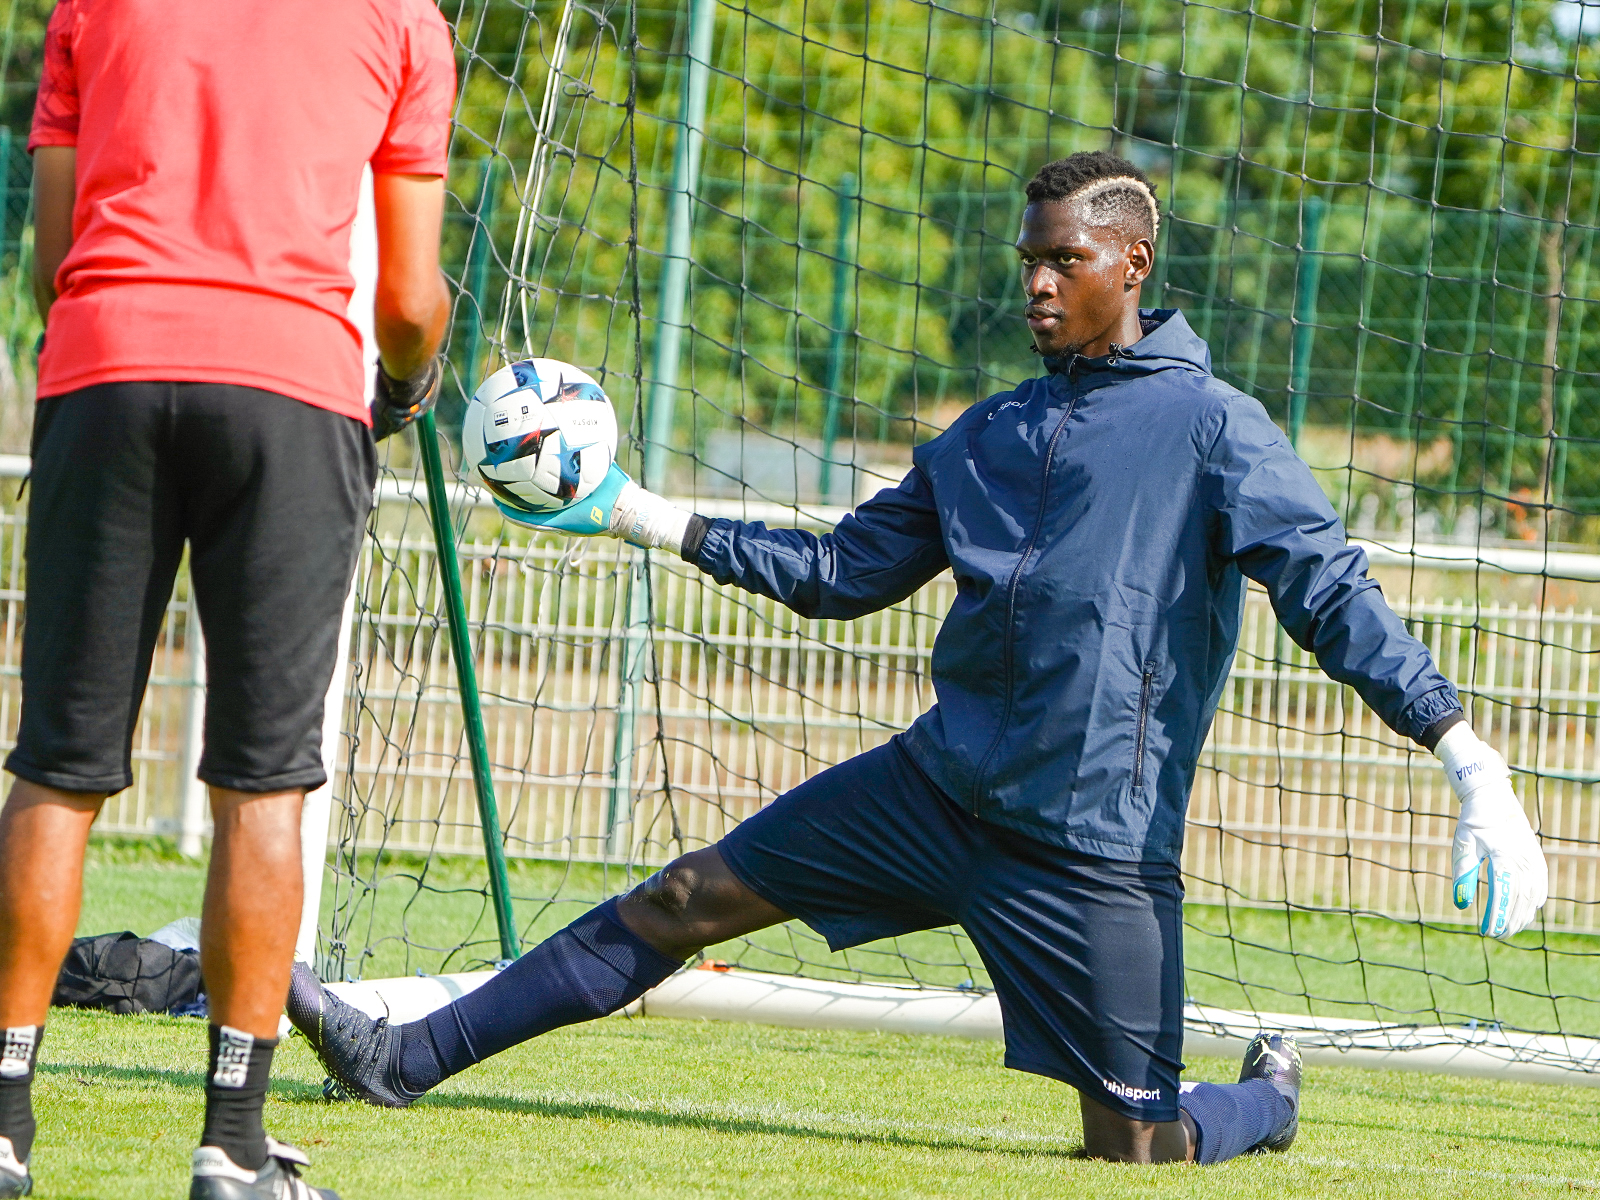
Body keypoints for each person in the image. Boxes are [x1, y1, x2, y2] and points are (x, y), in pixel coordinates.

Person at [287, 150, 1548, 1166]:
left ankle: (1263, 1105)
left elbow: (1330, 595)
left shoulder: (1219, 432)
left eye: (1066, 261)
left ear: (1133, 263)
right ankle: (407, 1057)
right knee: (684, 898)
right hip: (932, 793)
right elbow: (839, 574)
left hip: (1088, 845)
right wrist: (630, 509)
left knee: (1135, 1142)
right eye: (1028, 264)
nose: (1039, 286)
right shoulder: (986, 433)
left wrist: (1467, 757)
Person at [0, 2, 456, 1197]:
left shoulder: (88, 6)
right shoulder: (401, 21)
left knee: (58, 767)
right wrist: (406, 389)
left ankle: (1, 1124)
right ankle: (233, 1148)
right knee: (263, 778)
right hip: (290, 397)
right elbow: (408, 300)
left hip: (106, 368)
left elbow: (52, 262)